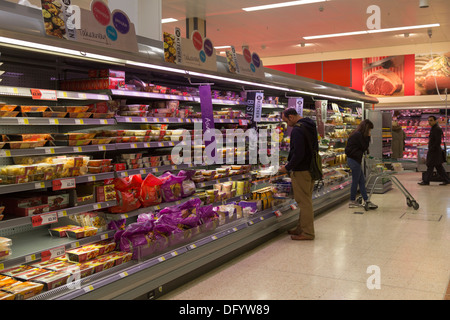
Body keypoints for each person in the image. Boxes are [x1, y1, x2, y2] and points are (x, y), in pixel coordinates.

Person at [279, 108, 317, 241]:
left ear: (291, 117)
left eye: (286, 121)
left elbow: (298, 153)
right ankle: (301, 228)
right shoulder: (310, 125)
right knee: (305, 200)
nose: (287, 125)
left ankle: (307, 233)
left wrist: (287, 167)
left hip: (301, 170)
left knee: (304, 202)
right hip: (310, 169)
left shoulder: (297, 129)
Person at [345, 119, 378, 209]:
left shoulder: (357, 134)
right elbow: (364, 147)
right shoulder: (359, 135)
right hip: (354, 160)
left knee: (361, 180)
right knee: (356, 181)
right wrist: (368, 137)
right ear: (366, 129)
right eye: (370, 130)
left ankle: (366, 200)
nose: (370, 131)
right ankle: (352, 201)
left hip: (354, 160)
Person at [418, 116, 450, 185]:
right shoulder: (434, 128)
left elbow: (438, 141)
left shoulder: (437, 129)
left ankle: (426, 181)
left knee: (430, 166)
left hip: (434, 151)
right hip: (435, 150)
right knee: (438, 167)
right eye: (429, 120)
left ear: (435, 121)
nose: (430, 122)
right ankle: (447, 180)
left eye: (431, 120)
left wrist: (432, 148)